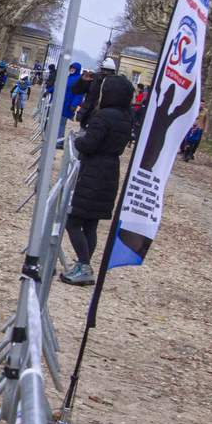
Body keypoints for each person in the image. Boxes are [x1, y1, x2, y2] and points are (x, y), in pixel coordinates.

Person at [60, 74, 135, 286]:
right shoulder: (126, 115)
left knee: (73, 221)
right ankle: (83, 265)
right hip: (110, 171)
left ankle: (84, 265)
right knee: (90, 224)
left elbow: (89, 144)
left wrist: (79, 142)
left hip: (94, 171)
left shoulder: (103, 117)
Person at [71, 57, 118, 127]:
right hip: (88, 116)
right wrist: (82, 80)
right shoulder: (94, 78)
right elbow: (76, 90)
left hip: (102, 118)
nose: (105, 73)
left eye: (108, 71)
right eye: (104, 70)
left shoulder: (115, 83)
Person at [57, 61, 84, 144]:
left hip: (68, 104)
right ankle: (57, 140)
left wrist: (74, 104)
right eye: (71, 68)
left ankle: (59, 142)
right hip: (62, 102)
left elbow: (79, 94)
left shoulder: (79, 79)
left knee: (61, 123)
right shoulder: (68, 77)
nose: (72, 69)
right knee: (58, 122)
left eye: (74, 68)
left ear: (77, 69)